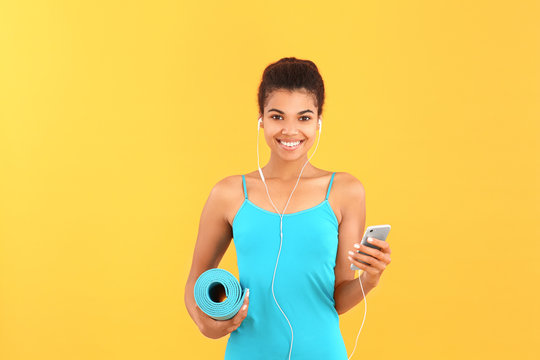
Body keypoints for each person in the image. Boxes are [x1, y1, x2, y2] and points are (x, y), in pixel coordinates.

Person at [184, 57, 392, 359]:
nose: (290, 130)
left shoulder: (346, 192)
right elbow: (196, 280)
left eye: (304, 118)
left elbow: (337, 298)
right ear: (261, 119)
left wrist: (370, 279)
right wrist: (211, 327)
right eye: (278, 117)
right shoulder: (229, 194)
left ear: (319, 120)